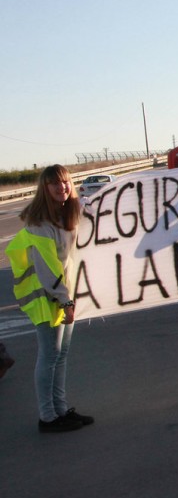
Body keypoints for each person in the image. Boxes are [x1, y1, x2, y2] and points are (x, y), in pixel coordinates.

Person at [4, 165, 94, 432]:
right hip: (48, 297)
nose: (61, 188)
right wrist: (65, 301)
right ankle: (48, 417)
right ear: (45, 189)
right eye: (54, 184)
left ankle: (61, 409)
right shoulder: (40, 223)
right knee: (50, 355)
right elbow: (47, 267)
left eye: (65, 182)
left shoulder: (67, 214)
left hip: (63, 294)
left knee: (60, 354)